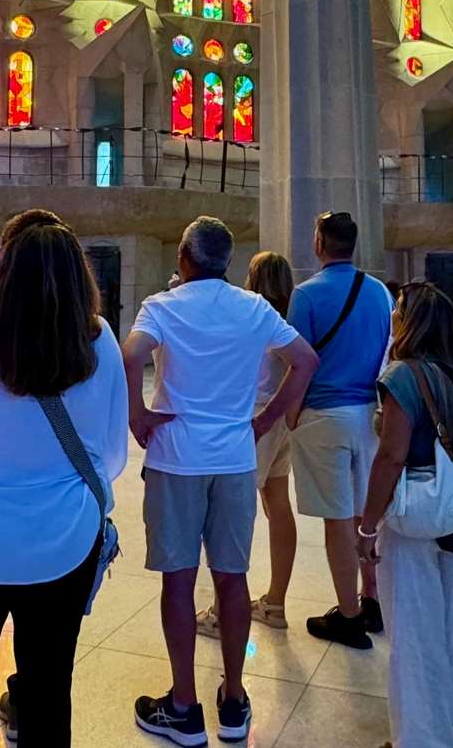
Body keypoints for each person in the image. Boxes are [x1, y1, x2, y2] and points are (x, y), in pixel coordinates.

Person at [0, 215, 129, 748]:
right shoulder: (99, 340)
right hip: (63, 541)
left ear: (4, 269)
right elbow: (109, 448)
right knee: (49, 693)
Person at [125, 218, 319, 745]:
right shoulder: (253, 307)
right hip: (235, 459)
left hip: (176, 460)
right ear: (227, 261)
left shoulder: (162, 306)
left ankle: (183, 706)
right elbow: (305, 360)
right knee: (232, 577)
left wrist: (137, 413)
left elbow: (131, 354)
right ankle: (233, 701)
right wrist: (266, 419)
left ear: (184, 258)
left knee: (179, 580)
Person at [357, 282, 453, 748]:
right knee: (448, 629)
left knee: (413, 634)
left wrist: (367, 525)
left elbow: (391, 456)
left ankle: (422, 738)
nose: (394, 317)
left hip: (414, 515)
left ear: (411, 322)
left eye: (399, 310)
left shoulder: (404, 377)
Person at [286, 211, 395, 649]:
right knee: (365, 514)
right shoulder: (380, 292)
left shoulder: (306, 295)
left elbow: (299, 363)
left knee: (336, 519)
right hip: (370, 415)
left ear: (319, 243)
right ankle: (373, 598)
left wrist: (291, 414)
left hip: (324, 417)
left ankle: (348, 617)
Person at [197, 251, 303, 640]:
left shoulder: (256, 317)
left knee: (230, 516)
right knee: (278, 504)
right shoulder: (289, 319)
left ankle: (223, 611)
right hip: (281, 418)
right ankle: (275, 602)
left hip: (256, 419)